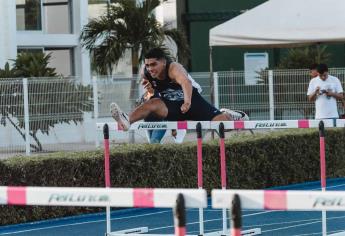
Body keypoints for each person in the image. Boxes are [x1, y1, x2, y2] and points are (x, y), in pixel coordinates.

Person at [110, 47, 248, 131]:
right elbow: (152, 94)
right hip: (172, 107)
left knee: (225, 126)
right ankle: (127, 119)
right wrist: (150, 92)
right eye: (147, 65)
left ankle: (229, 115)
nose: (150, 68)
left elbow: (186, 82)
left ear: (163, 62)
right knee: (152, 103)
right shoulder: (146, 74)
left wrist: (187, 102)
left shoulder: (174, 68)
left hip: (192, 102)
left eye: (154, 64)